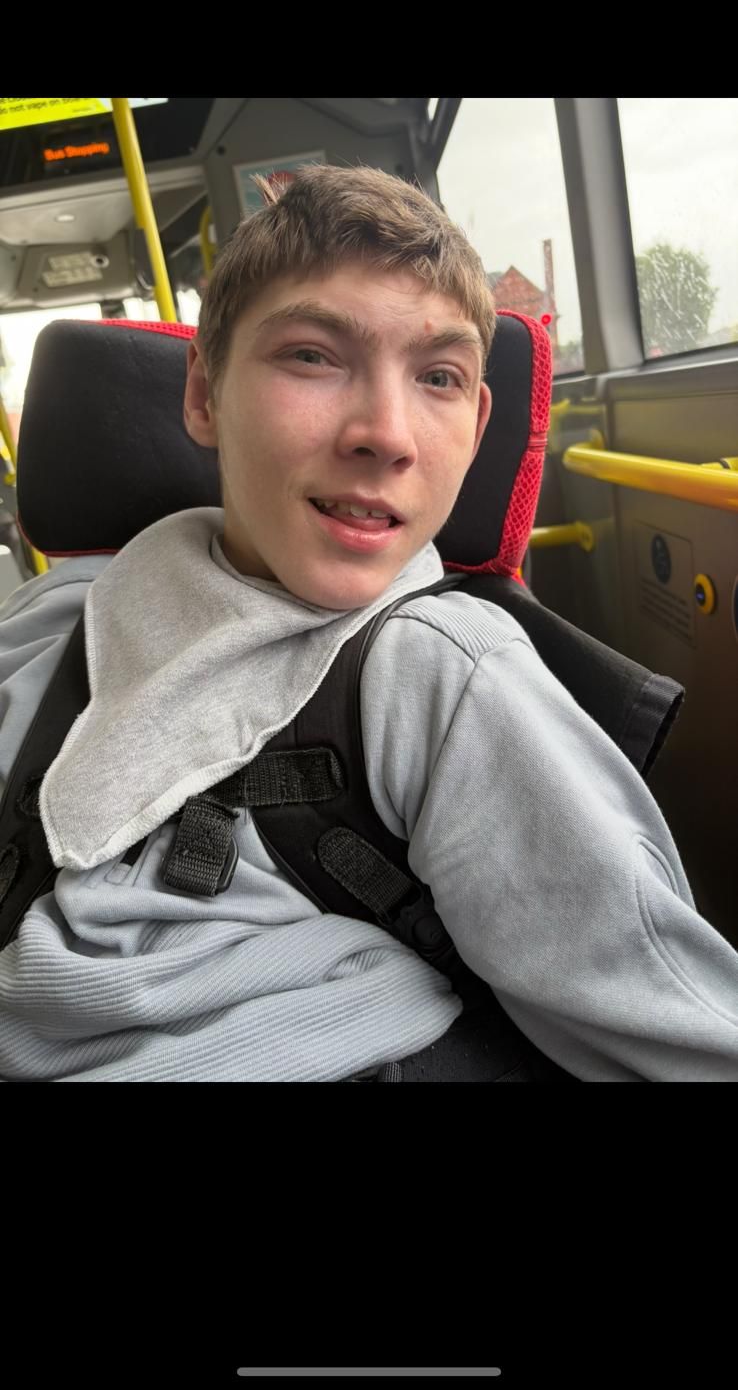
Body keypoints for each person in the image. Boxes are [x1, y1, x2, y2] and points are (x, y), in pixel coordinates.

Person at [0, 165, 736, 1081]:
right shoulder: (56, 620)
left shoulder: (447, 679)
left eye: (439, 376)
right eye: (312, 355)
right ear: (202, 394)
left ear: (476, 425)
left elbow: (686, 1035)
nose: (386, 432)